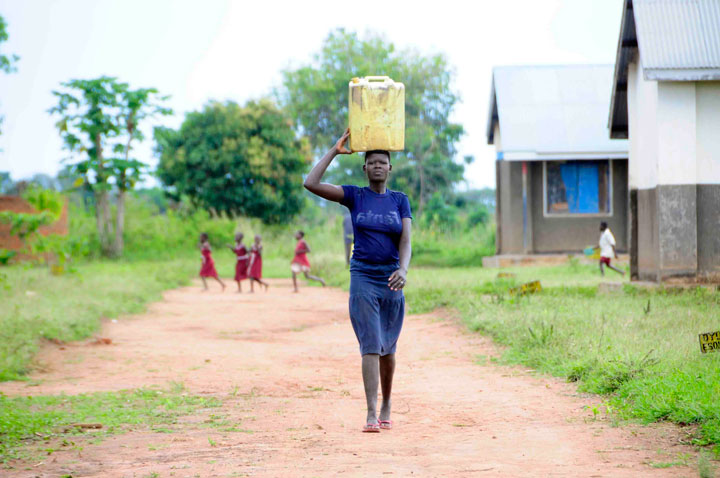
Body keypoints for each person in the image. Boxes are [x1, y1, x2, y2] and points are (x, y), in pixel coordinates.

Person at [304, 128, 412, 433]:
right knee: (370, 344)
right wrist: (334, 151)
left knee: (388, 347)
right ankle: (370, 412)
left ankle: (387, 404)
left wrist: (403, 270)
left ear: (390, 168)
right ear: (364, 168)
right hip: (362, 275)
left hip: (391, 277)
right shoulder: (355, 195)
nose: (377, 165)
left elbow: (406, 241)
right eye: (372, 162)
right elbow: (310, 183)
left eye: (383, 162)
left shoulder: (400, 200)